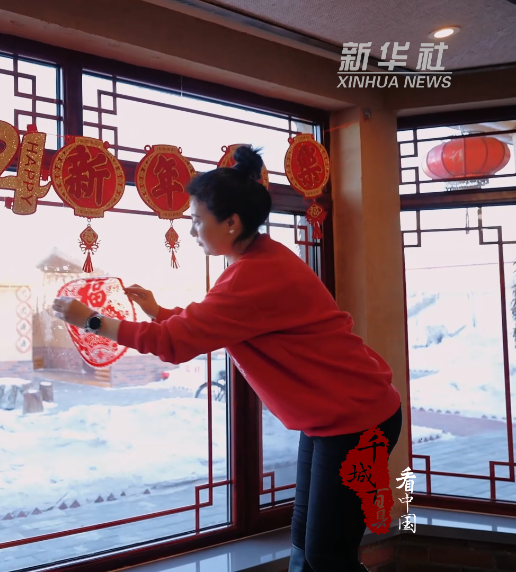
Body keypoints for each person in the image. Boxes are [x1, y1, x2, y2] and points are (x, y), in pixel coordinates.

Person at [51, 146, 402, 572]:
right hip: (336, 416)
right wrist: (160, 312)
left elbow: (174, 344)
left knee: (328, 556)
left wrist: (90, 320)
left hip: (358, 420)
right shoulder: (256, 259)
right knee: (305, 545)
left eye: (198, 220)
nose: (192, 231)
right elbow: (217, 322)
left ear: (232, 223)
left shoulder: (255, 273)